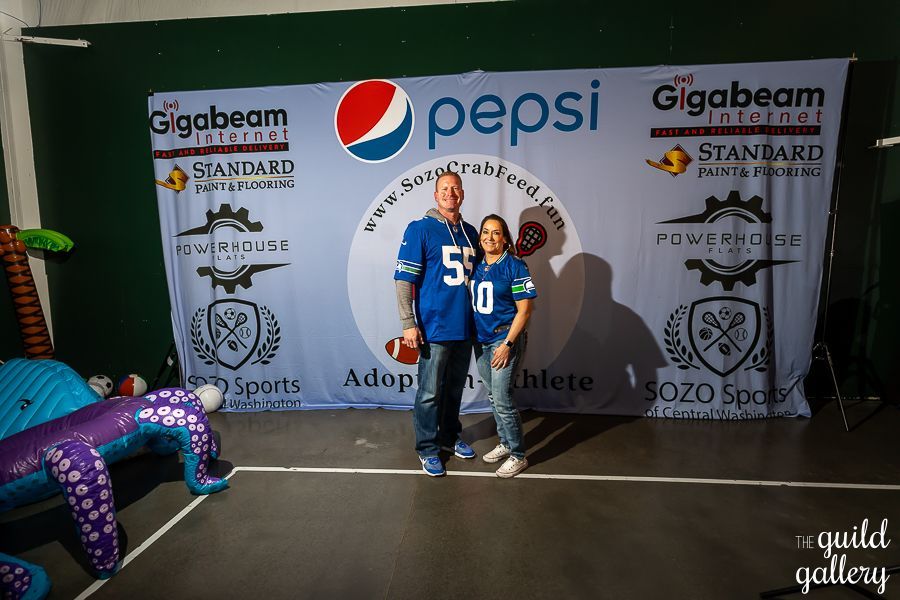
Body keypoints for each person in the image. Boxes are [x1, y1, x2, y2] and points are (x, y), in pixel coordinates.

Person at [394, 171, 480, 476]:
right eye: (444, 188)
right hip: (434, 325)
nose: (450, 193)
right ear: (435, 195)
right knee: (429, 392)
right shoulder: (420, 229)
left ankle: (449, 436)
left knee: (454, 389)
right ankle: (428, 448)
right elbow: (404, 279)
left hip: (466, 326)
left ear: (462, 193)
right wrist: (408, 322)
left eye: (455, 188)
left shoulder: (471, 232)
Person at [471, 214, 537, 478]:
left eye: (496, 233)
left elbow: (525, 311)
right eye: (485, 232)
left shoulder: (515, 266)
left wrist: (508, 343)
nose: (489, 237)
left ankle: (518, 455)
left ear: (505, 238)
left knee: (502, 398)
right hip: (481, 340)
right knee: (492, 396)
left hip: (503, 339)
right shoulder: (475, 265)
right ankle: (506, 441)